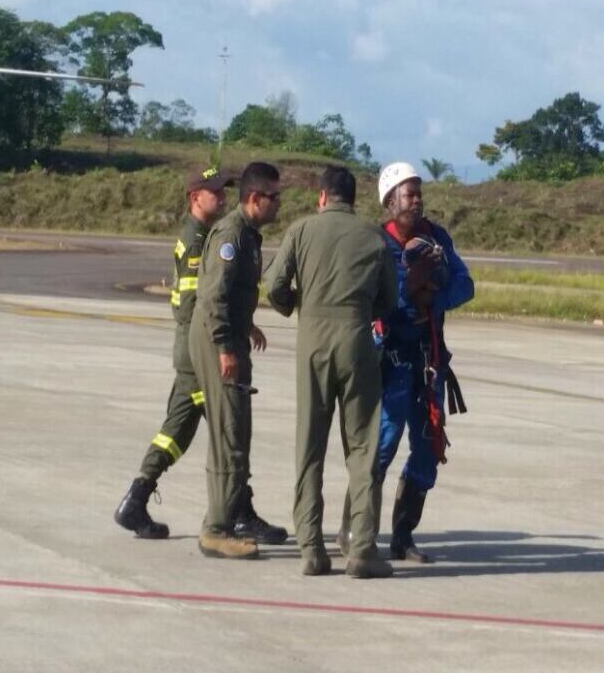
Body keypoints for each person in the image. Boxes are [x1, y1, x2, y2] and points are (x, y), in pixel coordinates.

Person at [266, 166, 398, 579]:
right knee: (362, 448)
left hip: (313, 341)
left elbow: (274, 286)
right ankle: (361, 548)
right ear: (352, 199)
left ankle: (311, 549)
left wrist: (296, 306)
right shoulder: (374, 236)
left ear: (322, 196)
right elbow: (390, 300)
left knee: (310, 444)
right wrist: (360, 312)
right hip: (357, 340)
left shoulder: (301, 231)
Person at [356, 161, 473, 564]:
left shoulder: (437, 238)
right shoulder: (375, 243)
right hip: (391, 362)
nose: (418, 199)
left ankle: (403, 535)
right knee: (383, 445)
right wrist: (409, 292)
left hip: (429, 361)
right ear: (390, 201)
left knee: (427, 449)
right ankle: (359, 529)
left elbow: (465, 284)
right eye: (409, 193)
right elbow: (371, 296)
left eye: (420, 192)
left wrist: (432, 300)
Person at [113, 166, 237, 539]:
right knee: (227, 427)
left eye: (224, 190)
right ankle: (239, 508)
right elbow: (190, 303)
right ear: (194, 197)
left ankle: (136, 499)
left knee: (178, 431)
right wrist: (213, 343)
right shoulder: (198, 240)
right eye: (215, 191)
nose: (223, 197)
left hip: (191, 349)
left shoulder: (202, 234)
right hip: (197, 351)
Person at [188, 161, 288, 559]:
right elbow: (212, 296)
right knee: (230, 434)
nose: (279, 204)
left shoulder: (250, 234)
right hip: (216, 339)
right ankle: (217, 528)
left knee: (238, 431)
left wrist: (247, 326)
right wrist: (226, 347)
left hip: (228, 332)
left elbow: (233, 293)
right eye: (274, 197)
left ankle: (231, 516)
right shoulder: (232, 234)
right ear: (254, 198)